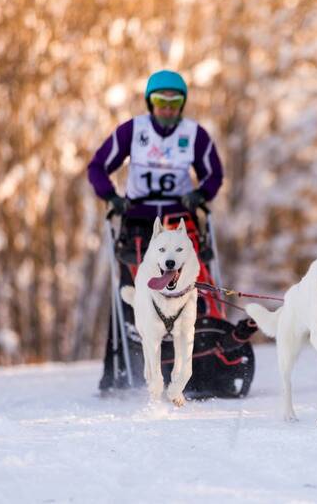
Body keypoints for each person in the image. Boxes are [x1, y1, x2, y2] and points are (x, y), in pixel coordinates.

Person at [88, 69, 224, 392]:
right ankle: (125, 370)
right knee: (137, 288)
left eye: (174, 102)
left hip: (181, 220)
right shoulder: (133, 131)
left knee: (195, 280)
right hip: (139, 219)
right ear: (150, 103)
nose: (167, 109)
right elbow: (97, 167)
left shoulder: (194, 135)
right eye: (161, 101)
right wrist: (111, 197)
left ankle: (204, 357)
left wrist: (201, 194)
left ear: (182, 104)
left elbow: (214, 174)